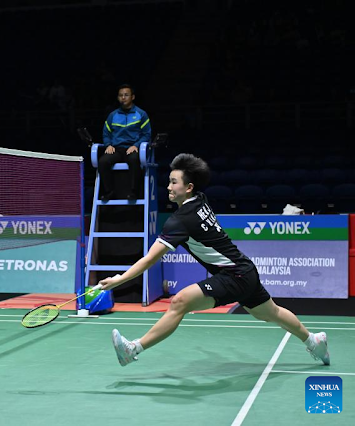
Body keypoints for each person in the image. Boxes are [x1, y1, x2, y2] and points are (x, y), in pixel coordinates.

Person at [98, 153, 330, 367]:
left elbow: (149, 259)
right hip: (245, 269)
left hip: (234, 275)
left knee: (180, 302)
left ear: (189, 188)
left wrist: (119, 279)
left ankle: (133, 349)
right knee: (270, 313)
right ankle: (313, 340)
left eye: (174, 182)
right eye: (169, 181)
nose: (168, 187)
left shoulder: (180, 221)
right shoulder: (200, 199)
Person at [99, 84, 151, 202]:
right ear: (118, 98)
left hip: (133, 147)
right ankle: (109, 192)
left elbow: (146, 135)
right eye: (121, 95)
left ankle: (133, 192)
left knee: (134, 160)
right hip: (116, 148)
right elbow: (106, 133)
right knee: (103, 162)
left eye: (126, 95)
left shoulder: (141, 114)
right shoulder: (112, 115)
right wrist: (108, 145)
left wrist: (136, 145)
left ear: (132, 97)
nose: (123, 97)